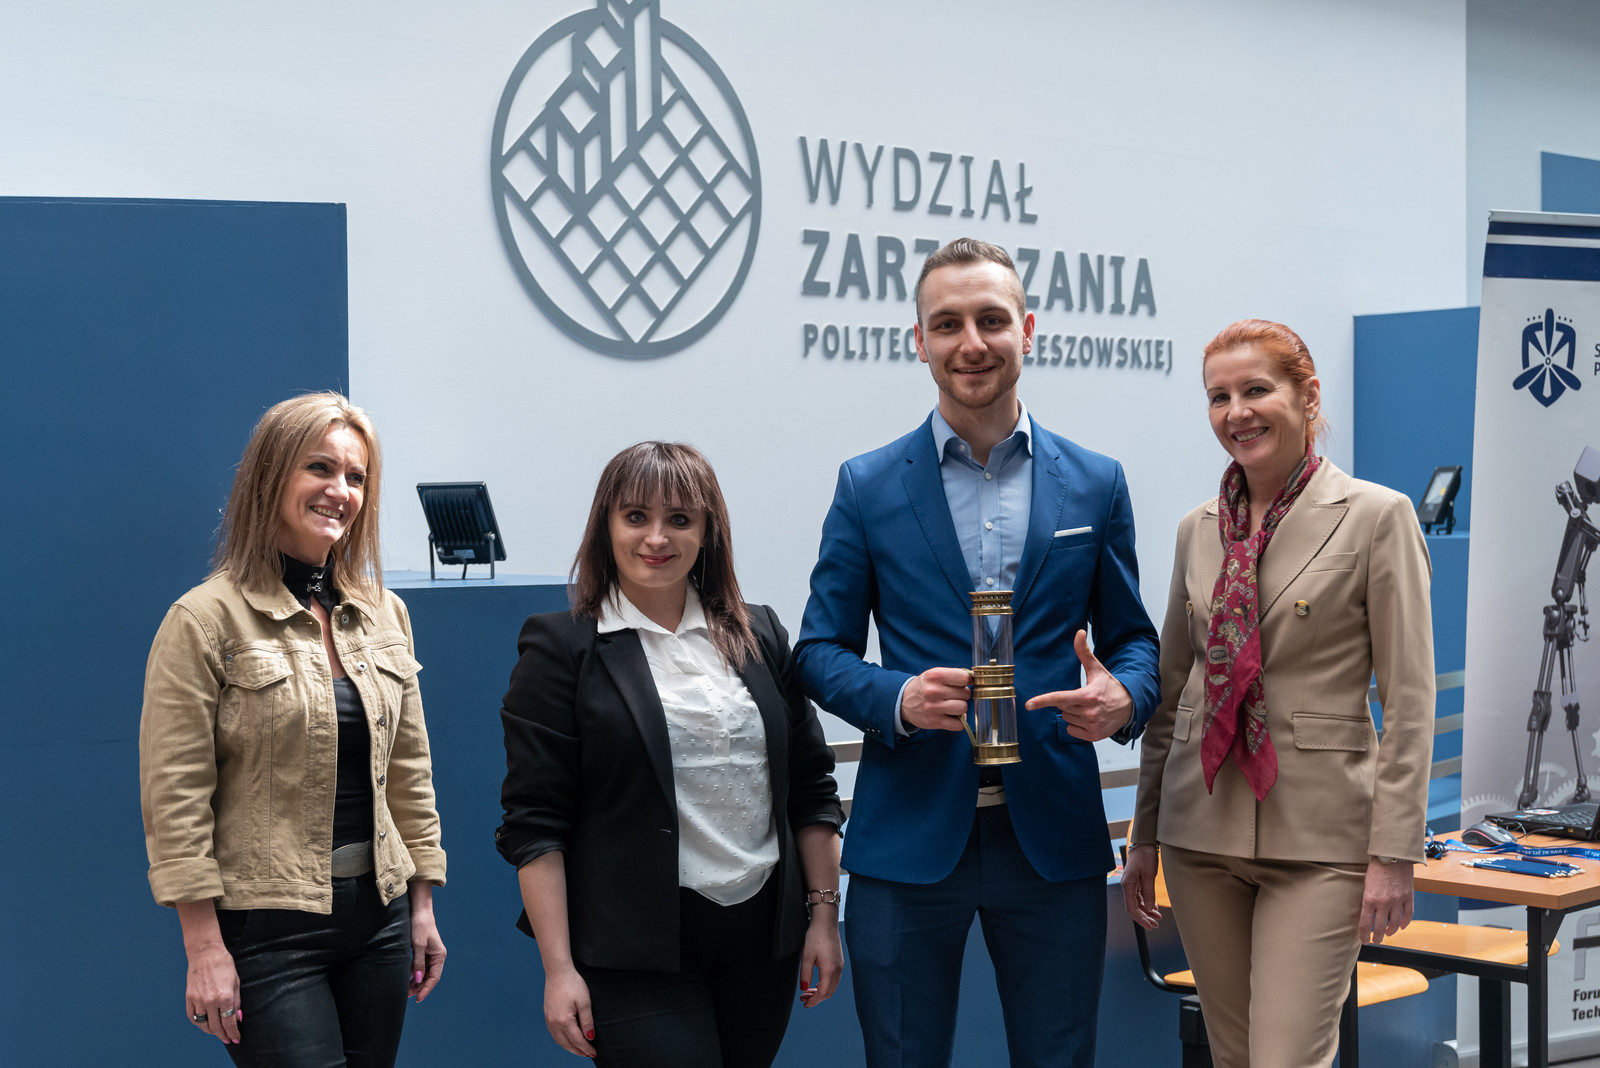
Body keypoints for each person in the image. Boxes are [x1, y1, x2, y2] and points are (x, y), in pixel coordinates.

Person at [794, 237, 1162, 1068]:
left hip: (1053, 836)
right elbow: (818, 650)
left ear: (1027, 331)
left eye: (992, 320)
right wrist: (895, 698)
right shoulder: (868, 485)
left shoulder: (1096, 482)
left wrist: (1125, 697)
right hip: (909, 836)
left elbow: (1134, 641)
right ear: (918, 340)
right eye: (948, 323)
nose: (972, 343)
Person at [1122, 319, 1434, 1068]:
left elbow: (1409, 701)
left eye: (1256, 389)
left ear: (1308, 395)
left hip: (1321, 840)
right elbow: (1174, 689)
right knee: (1233, 1057)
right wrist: (1144, 835)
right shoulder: (1197, 530)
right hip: (1199, 833)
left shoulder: (1377, 516)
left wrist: (1394, 854)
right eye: (1218, 396)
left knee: (1286, 1059)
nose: (1237, 412)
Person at [497, 441, 844, 1068]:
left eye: (680, 519)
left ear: (707, 532)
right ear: (606, 526)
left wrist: (823, 917)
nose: (656, 537)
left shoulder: (760, 632)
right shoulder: (560, 648)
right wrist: (559, 969)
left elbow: (811, 787)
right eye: (636, 516)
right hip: (631, 950)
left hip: (761, 942)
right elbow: (534, 823)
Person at [139, 392, 447, 1065]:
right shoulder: (202, 620)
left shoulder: (385, 613)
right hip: (267, 931)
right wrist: (203, 946)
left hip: (381, 920)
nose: (341, 491)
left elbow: (410, 771)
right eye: (320, 468)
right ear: (271, 474)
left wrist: (421, 903)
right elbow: (176, 798)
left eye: (356, 477)